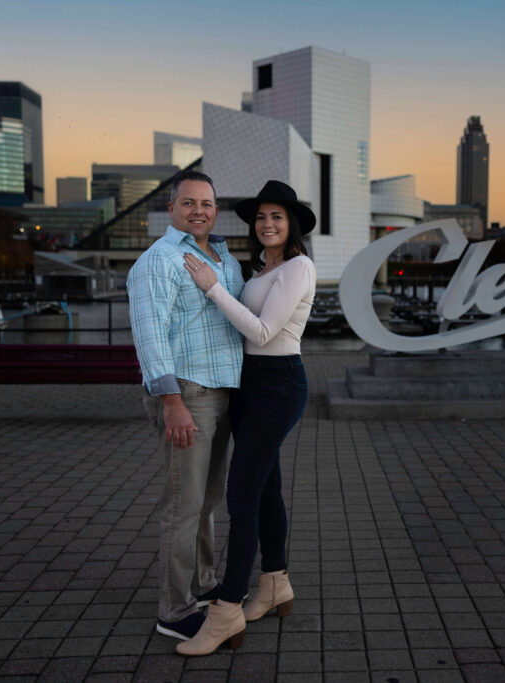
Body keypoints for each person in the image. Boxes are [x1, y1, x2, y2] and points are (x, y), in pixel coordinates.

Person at [176, 180, 316, 656]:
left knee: (242, 496)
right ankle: (275, 584)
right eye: (260, 217)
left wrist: (213, 288)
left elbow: (261, 330)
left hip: (279, 384)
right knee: (267, 486)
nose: (267, 224)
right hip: (249, 384)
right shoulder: (261, 269)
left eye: (276, 216)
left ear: (291, 223)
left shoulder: (298, 267)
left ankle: (227, 607)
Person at [127, 170, 245, 641]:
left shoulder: (224, 257)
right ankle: (174, 611)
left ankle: (203, 583)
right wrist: (171, 400)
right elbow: (149, 335)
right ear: (171, 208)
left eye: (208, 203)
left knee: (209, 498)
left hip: (223, 392)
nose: (200, 210)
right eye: (189, 202)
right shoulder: (160, 260)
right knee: (183, 503)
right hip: (188, 394)